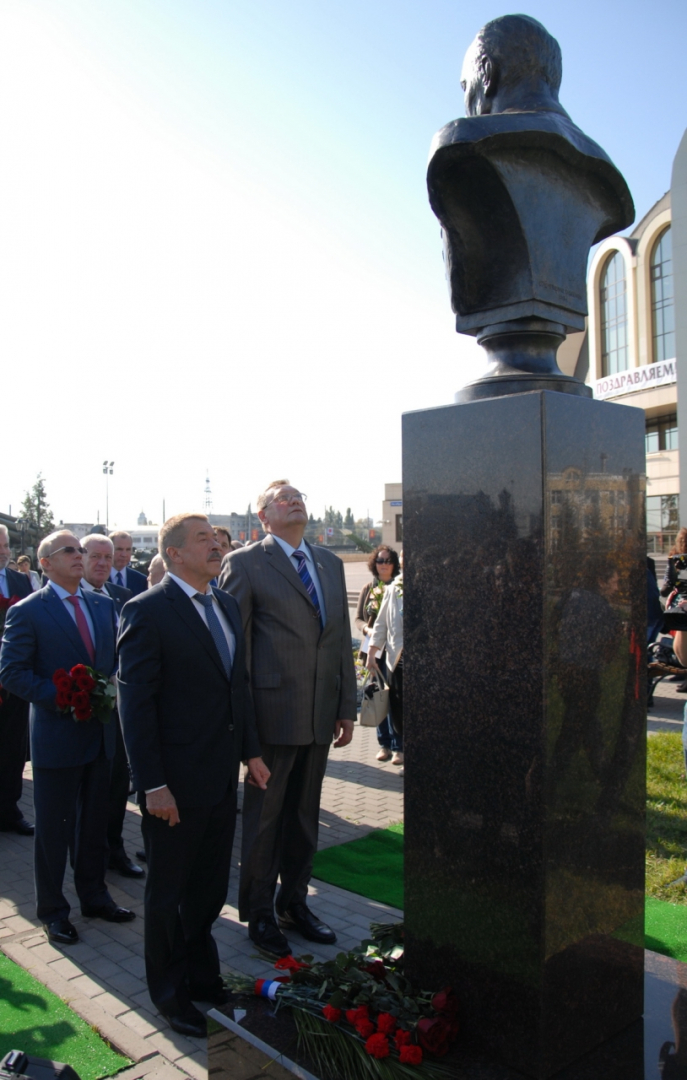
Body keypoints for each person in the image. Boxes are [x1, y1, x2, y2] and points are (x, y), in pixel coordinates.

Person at [117, 513, 269, 1038]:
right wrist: (152, 785)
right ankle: (170, 994)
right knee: (167, 896)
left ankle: (204, 977)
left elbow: (236, 688)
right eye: (203, 538)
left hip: (219, 778)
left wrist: (251, 752)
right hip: (174, 786)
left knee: (207, 891)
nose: (216, 544)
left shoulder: (223, 603)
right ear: (175, 553)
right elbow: (135, 706)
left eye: (214, 537)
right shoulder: (146, 610)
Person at [219, 480, 357, 959]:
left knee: (303, 818)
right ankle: (259, 912)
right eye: (283, 497)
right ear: (263, 516)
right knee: (264, 823)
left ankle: (293, 903)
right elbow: (235, 650)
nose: (294, 500)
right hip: (271, 718)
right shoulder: (245, 563)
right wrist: (246, 733)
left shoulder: (329, 563)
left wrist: (346, 707)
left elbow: (339, 641)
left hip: (319, 716)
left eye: (298, 495)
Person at [0, 530, 135, 946]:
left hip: (101, 735)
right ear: (45, 563)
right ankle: (53, 910)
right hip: (57, 736)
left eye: (81, 550)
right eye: (69, 551)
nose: (80, 556)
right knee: (54, 831)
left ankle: (94, 896)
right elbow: (11, 672)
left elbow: (115, 661)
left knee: (93, 826)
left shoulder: (102, 604)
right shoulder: (27, 611)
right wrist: (63, 696)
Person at [80, 534, 143, 880]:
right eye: (95, 556)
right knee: (89, 792)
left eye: (109, 557)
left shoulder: (122, 596)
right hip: (83, 712)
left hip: (121, 710)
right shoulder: (68, 598)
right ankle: (89, 858)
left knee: (118, 784)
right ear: (81, 558)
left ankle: (115, 849)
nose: (103, 563)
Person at [0, 524, 34, 835]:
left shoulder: (20, 581)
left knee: (13, 747)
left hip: (14, 681)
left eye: (6, 545)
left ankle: (9, 810)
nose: (3, 551)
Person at [355, 545, 402, 765]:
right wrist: (367, 629)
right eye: (379, 561)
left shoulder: (399, 587)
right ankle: (384, 744)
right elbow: (358, 618)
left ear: (394, 564)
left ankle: (398, 745)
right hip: (373, 649)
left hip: (393, 649)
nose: (383, 565)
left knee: (394, 697)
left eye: (387, 561)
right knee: (377, 695)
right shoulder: (368, 588)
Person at [109, 531, 147, 596]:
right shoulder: (99, 578)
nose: (124, 554)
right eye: (119, 549)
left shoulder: (141, 581)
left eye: (128, 549)